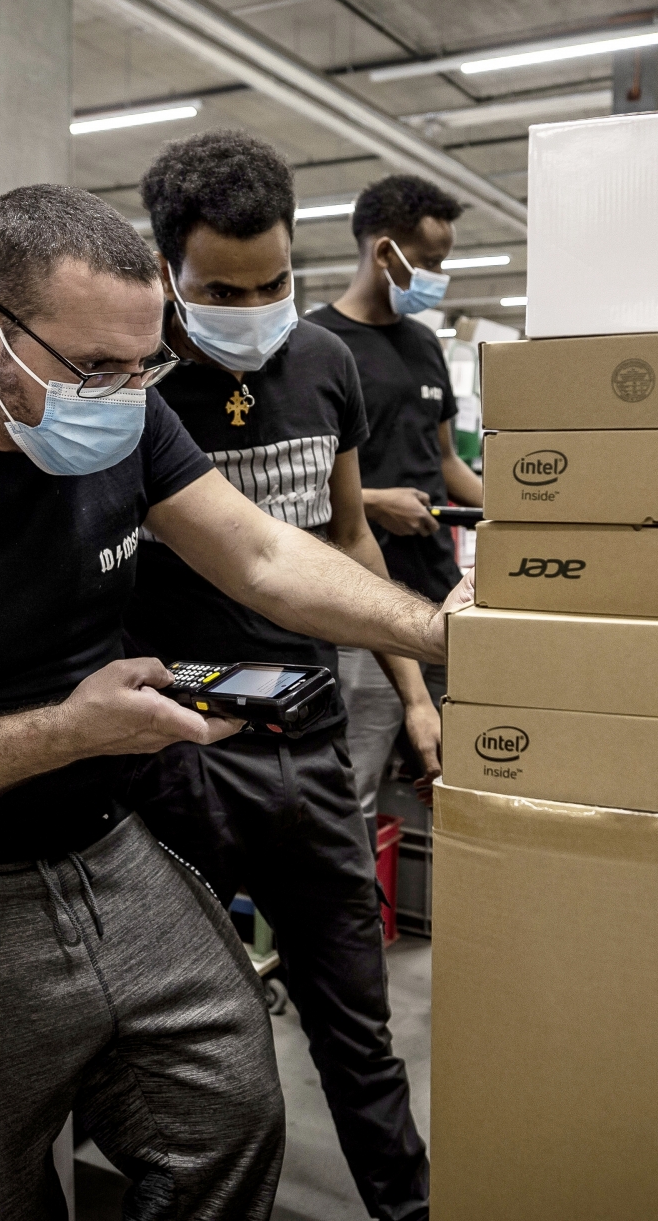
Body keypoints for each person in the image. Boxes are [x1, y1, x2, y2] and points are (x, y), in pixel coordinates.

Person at [0, 184, 468, 1221]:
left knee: (229, 1111)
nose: (122, 396)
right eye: (93, 369)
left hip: (105, 846)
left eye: (141, 365)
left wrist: (441, 635)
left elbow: (255, 553)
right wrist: (69, 730)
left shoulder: (125, 414)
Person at [123, 130, 437, 1221]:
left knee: (357, 1026)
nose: (250, 306)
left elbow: (350, 545)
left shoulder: (325, 365)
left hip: (306, 750)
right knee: (189, 1055)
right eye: (220, 288)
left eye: (272, 283)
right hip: (173, 759)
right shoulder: (122, 386)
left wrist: (412, 690)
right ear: (167, 272)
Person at [305, 176, 483, 816]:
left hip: (438, 596)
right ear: (386, 253)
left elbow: (444, 463)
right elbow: (301, 489)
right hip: (357, 610)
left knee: (454, 786)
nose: (439, 278)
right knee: (350, 797)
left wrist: (523, 511)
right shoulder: (316, 349)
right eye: (430, 262)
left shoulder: (425, 345)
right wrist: (377, 502)